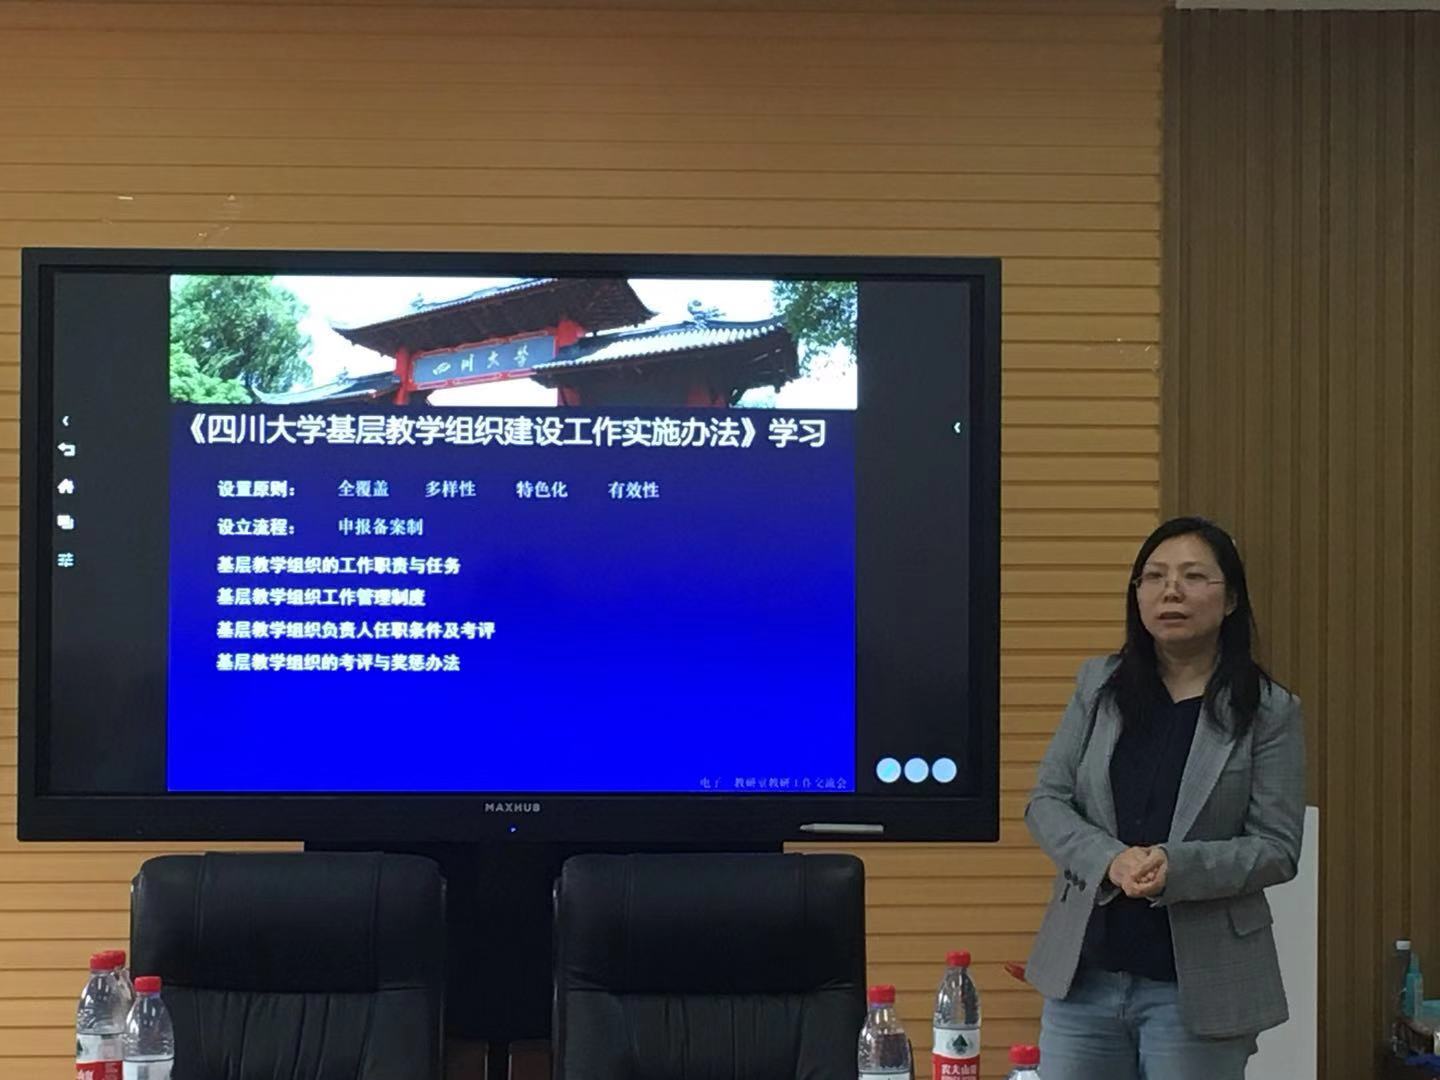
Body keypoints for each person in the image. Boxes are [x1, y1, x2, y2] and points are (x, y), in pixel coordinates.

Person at [1024, 516, 1306, 1080]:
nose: (1171, 590)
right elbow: (1046, 803)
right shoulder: (1098, 685)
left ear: (1230, 600)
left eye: (1193, 576)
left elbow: (1277, 848)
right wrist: (1110, 859)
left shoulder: (1268, 710)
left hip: (1200, 987)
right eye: (1154, 576)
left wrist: (1176, 867)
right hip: (1085, 979)